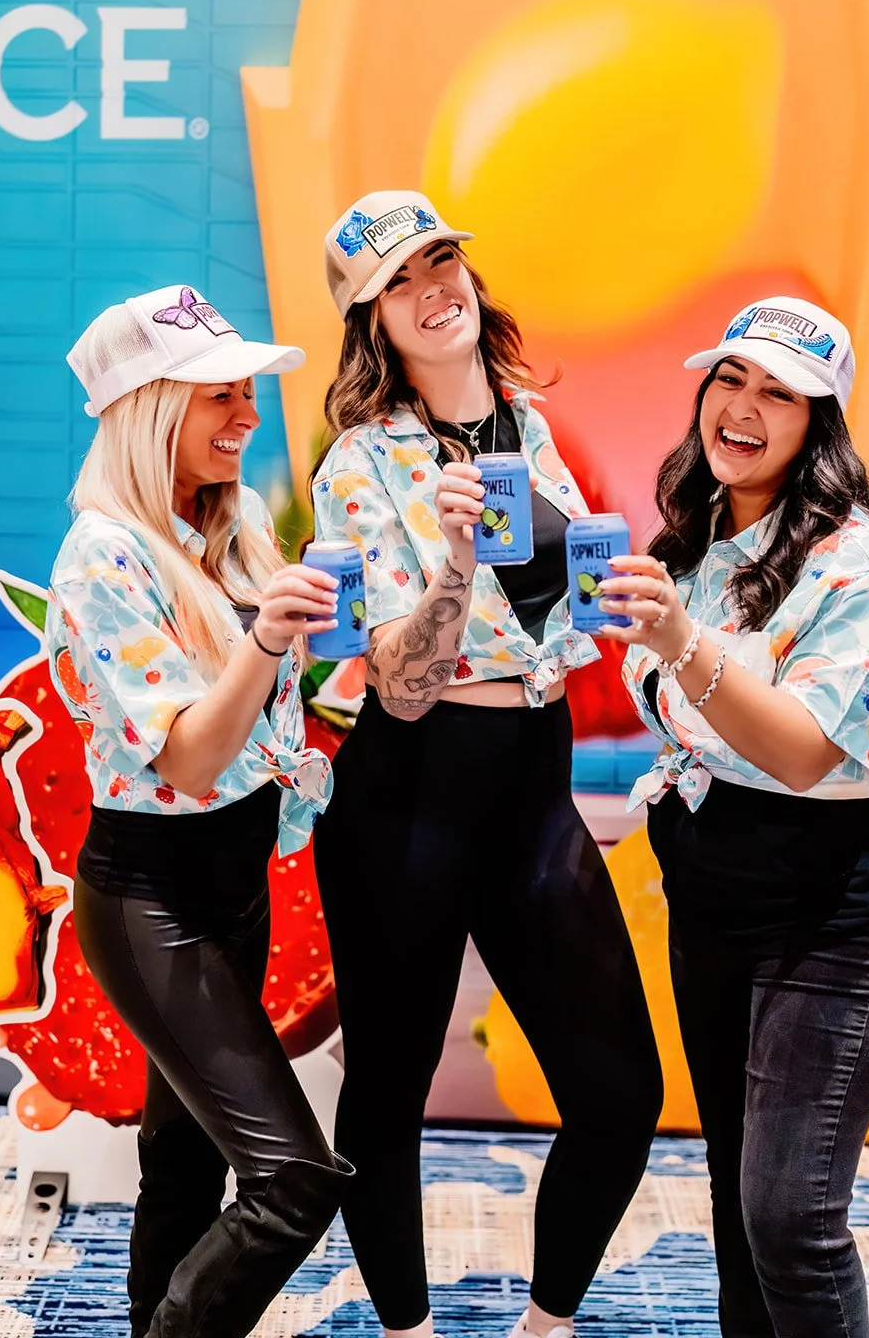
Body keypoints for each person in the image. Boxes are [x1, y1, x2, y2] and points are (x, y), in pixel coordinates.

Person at [311, 191, 662, 1338]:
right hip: (405, 789)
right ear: (374, 322)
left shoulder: (533, 430)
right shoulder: (358, 465)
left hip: (532, 774)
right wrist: (456, 562)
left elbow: (578, 618)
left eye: (443, 259)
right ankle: (405, 1328)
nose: (435, 285)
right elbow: (400, 687)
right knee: (386, 1096)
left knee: (620, 1094)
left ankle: (545, 1323)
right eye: (403, 278)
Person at [602, 296, 869, 1338]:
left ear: (817, 425)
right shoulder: (694, 545)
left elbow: (800, 750)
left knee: (788, 1214)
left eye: (777, 393)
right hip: (717, 900)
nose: (742, 407)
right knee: (735, 1197)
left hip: (840, 913)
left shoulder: (862, 569)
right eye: (729, 379)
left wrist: (676, 641)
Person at [45, 285, 353, 1338]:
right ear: (147, 408)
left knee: (181, 1166)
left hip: (233, 883)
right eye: (220, 396)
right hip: (150, 897)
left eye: (248, 393)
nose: (248, 417)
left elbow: (260, 732)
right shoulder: (105, 555)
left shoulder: (233, 523)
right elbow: (184, 760)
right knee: (294, 1181)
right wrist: (265, 638)